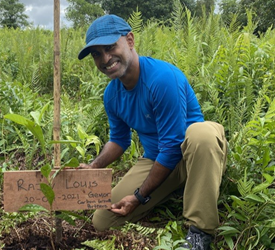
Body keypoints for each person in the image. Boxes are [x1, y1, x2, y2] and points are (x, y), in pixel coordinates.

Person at [77, 14, 227, 250]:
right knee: (103, 220)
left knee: (201, 134)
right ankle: (181, 187)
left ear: (129, 40)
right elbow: (118, 139)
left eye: (109, 47)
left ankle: (200, 232)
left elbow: (173, 145)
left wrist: (139, 197)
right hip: (159, 160)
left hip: (195, 154)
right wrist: (94, 166)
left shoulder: (162, 78)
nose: (105, 58)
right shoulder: (112, 95)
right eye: (97, 53)